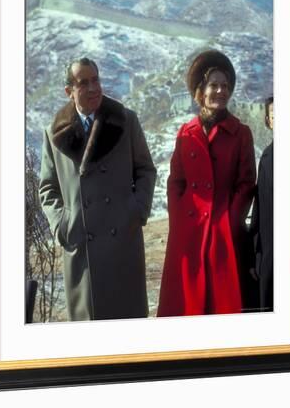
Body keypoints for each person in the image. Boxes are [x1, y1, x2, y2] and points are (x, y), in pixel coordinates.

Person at [39, 57, 156, 321]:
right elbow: (48, 188)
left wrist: (136, 210)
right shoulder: (54, 133)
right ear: (69, 92)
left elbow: (146, 170)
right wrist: (62, 224)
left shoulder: (125, 121)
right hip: (82, 248)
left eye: (96, 80)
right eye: (83, 83)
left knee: (129, 335)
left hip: (122, 242)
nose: (93, 88)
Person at [157, 50, 257, 317]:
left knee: (221, 305)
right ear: (201, 91)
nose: (220, 91)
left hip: (223, 231)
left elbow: (246, 182)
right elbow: (175, 181)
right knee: (185, 306)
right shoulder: (185, 132)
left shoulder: (241, 133)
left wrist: (230, 217)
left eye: (225, 86)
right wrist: (179, 219)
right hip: (188, 232)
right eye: (214, 85)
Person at [250, 97, 274, 312]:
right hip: (271, 253)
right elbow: (260, 209)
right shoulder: (267, 158)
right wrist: (256, 254)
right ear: (268, 121)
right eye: (274, 116)